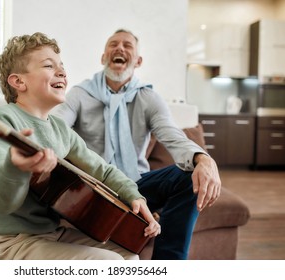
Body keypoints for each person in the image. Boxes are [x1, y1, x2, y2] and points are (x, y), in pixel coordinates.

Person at [0, 32, 160, 260]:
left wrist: (135, 197)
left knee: (130, 256)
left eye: (61, 66)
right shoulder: (3, 122)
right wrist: (15, 167)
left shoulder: (61, 129)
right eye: (49, 66)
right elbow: (0, 204)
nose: (62, 71)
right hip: (8, 242)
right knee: (107, 263)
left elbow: (103, 170)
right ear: (19, 81)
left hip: (50, 234)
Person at [52, 29, 222, 260]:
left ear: (138, 61)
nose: (120, 48)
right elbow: (56, 127)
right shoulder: (79, 94)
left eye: (127, 46)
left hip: (136, 185)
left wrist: (203, 158)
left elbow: (171, 134)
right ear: (103, 57)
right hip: (93, 188)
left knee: (187, 174)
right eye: (113, 44)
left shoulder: (149, 98)